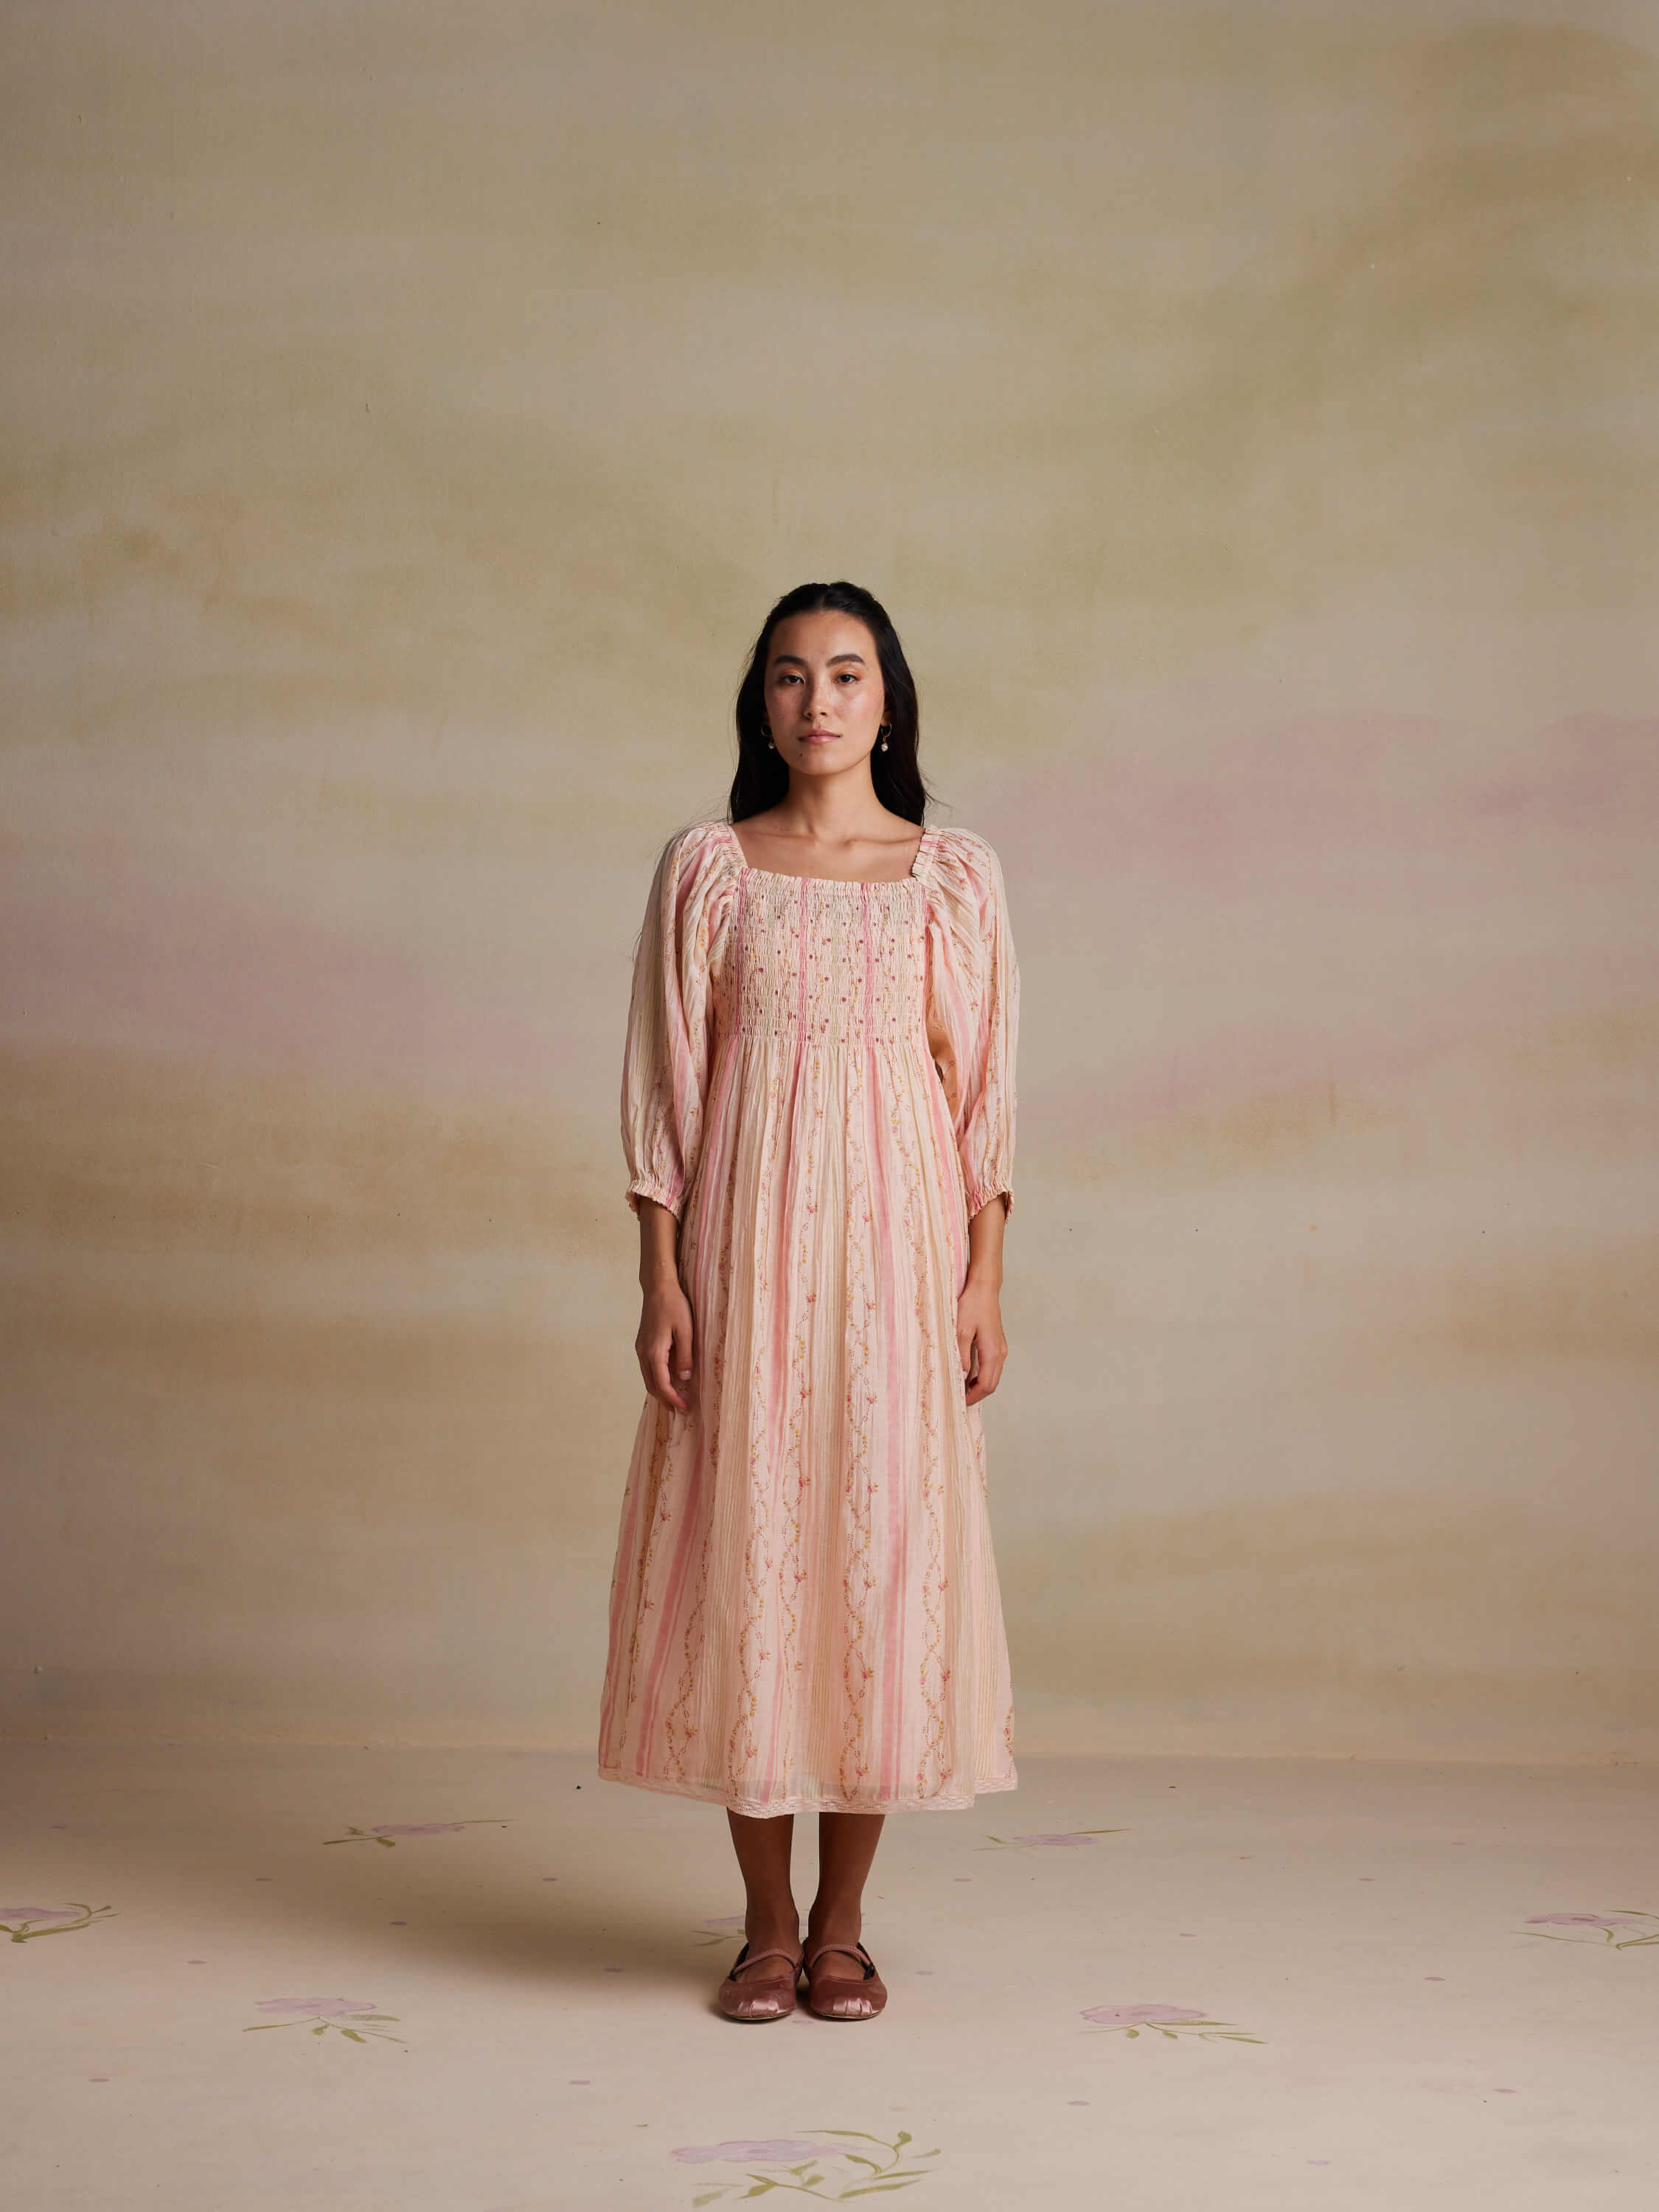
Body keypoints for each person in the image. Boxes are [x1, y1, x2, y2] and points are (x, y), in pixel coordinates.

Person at [598, 580, 1020, 2023]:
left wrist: (985, 1279)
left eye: (847, 674)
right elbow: (667, 1081)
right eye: (790, 677)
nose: (819, 701)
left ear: (888, 699)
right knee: (758, 1561)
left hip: (900, 1264)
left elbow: (984, 1098)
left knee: (879, 1567)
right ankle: (765, 1927)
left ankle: (847, 1925)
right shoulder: (709, 870)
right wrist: (658, 1273)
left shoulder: (950, 876)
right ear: (761, 705)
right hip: (747, 1257)